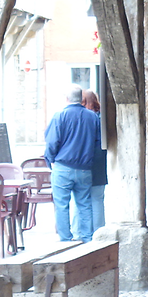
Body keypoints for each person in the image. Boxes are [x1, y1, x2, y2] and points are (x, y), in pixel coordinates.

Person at [44, 85, 101, 242]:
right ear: (82, 100)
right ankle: (87, 239)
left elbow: (51, 143)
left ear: (67, 99)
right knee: (84, 204)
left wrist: (50, 160)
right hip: (84, 169)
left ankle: (65, 240)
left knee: (62, 205)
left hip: (63, 167)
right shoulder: (93, 118)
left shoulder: (59, 116)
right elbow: (97, 143)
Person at [80, 89, 107, 232]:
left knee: (82, 200)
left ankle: (84, 232)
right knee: (97, 199)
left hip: (86, 163)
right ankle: (99, 231)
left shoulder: (86, 119)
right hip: (100, 164)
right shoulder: (101, 118)